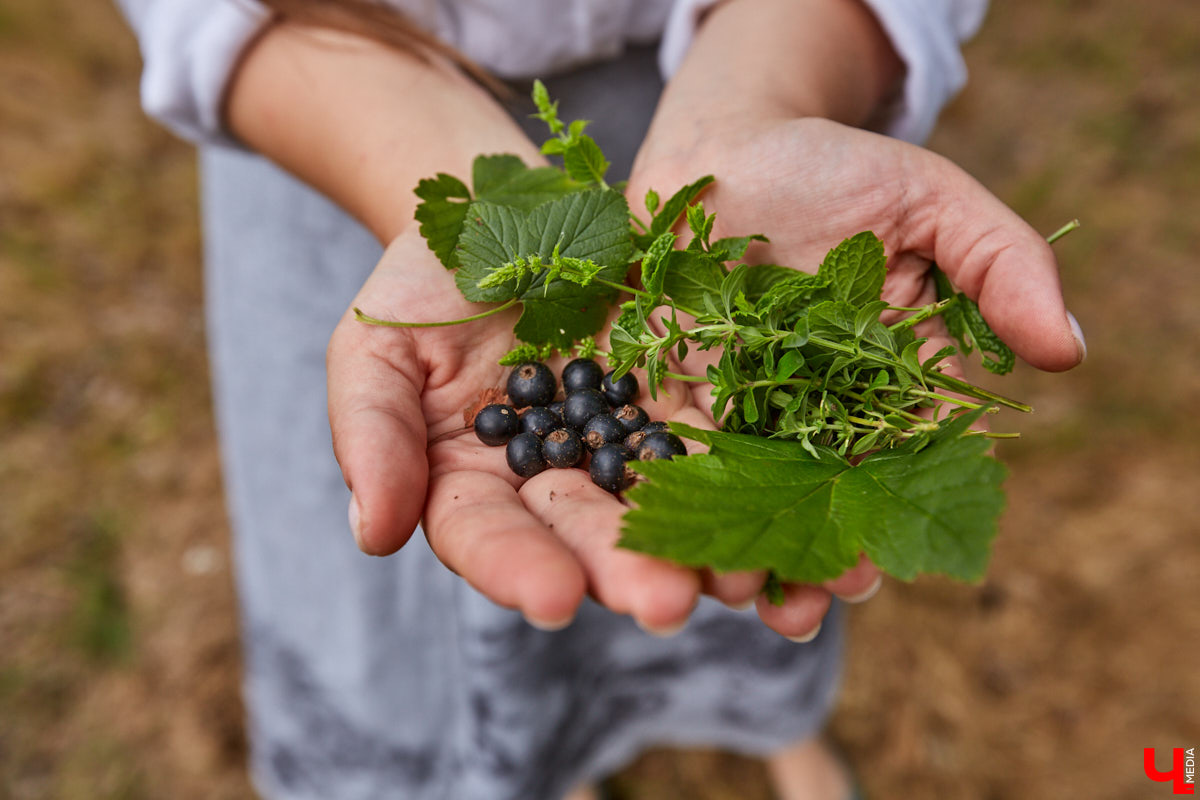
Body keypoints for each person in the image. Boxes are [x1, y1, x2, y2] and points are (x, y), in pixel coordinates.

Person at [113, 1, 1086, 798]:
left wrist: (767, 94)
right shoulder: (540, 382)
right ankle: (553, 756)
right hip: (339, 126)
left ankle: (765, 724)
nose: (563, 404)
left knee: (747, 507)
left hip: (733, 94)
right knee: (516, 559)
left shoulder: (662, 344)